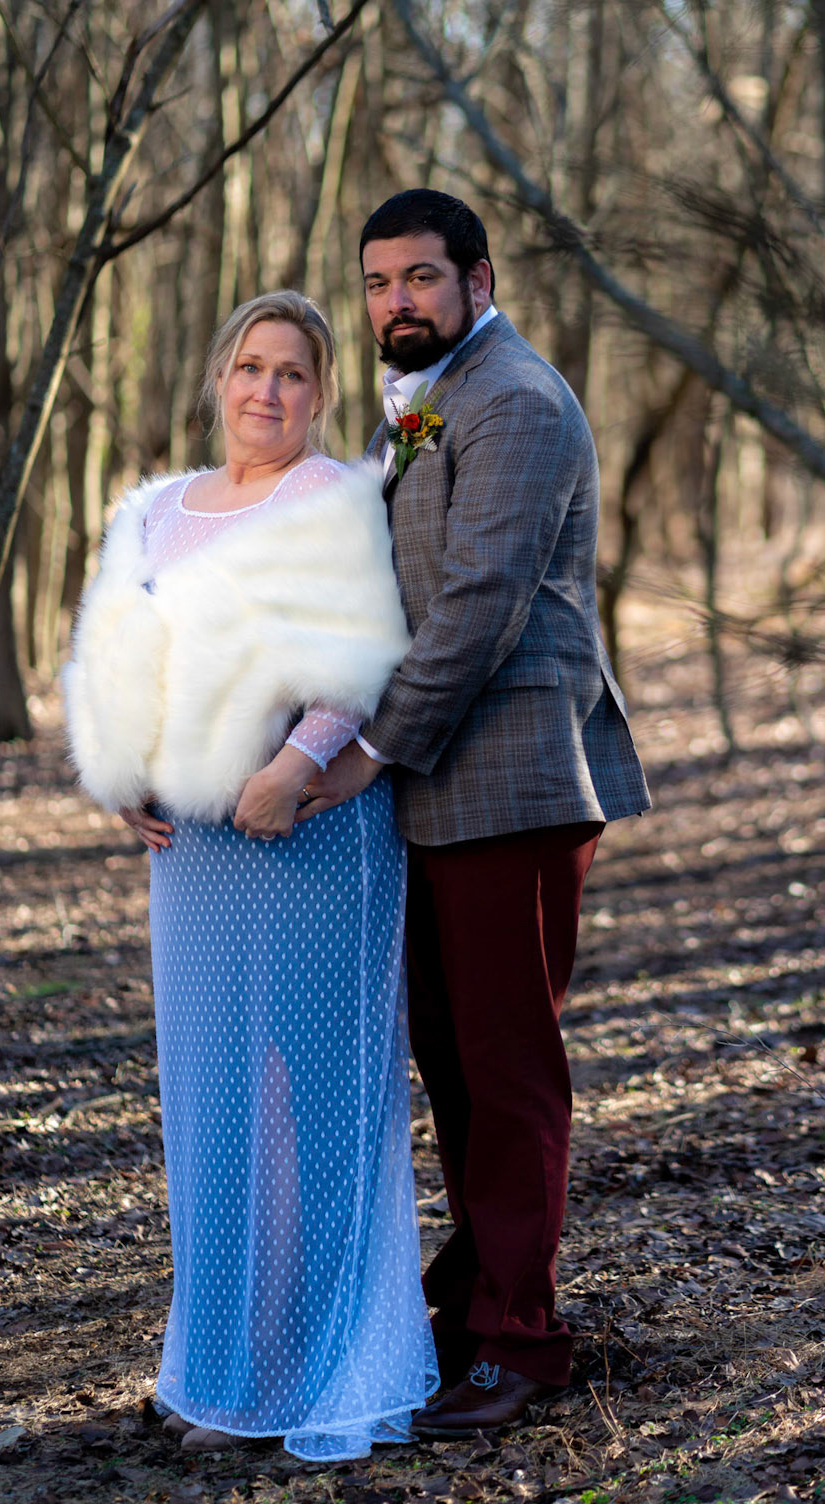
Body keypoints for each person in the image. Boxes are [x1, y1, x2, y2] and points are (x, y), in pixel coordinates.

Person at [62, 290, 437, 1461]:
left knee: (317, 1102)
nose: (266, 390)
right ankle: (230, 1366)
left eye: (292, 373)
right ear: (218, 375)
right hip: (195, 864)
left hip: (312, 835)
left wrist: (294, 767)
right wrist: (116, 766)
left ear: (320, 395)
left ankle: (329, 1369)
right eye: (250, 366)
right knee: (217, 1107)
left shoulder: (329, 495)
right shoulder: (155, 511)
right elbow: (111, 657)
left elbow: (359, 654)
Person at [298, 191, 650, 1435]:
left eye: (421, 277)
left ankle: (521, 1341)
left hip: (512, 779)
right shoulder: (423, 405)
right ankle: (471, 1302)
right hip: (437, 795)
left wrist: (368, 750)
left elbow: (483, 606)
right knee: (452, 1064)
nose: (397, 298)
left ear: (478, 277)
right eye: (380, 278)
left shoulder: (516, 401)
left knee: (505, 1072)